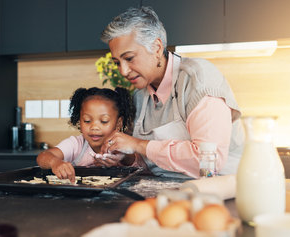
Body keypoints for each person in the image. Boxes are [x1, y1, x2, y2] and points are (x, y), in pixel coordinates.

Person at [98, 6, 245, 179]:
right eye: (117, 62)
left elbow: (209, 164)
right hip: (171, 190)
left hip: (227, 191)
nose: (123, 71)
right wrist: (127, 157)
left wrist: (138, 144)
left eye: (129, 58)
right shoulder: (139, 97)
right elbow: (151, 164)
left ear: (157, 48)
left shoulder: (199, 81)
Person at [36, 87, 136, 182]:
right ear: (80, 121)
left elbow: (133, 160)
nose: (94, 127)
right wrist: (55, 163)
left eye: (104, 121)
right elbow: (43, 156)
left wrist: (124, 156)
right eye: (87, 121)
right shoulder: (76, 144)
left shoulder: (123, 144)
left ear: (118, 123)